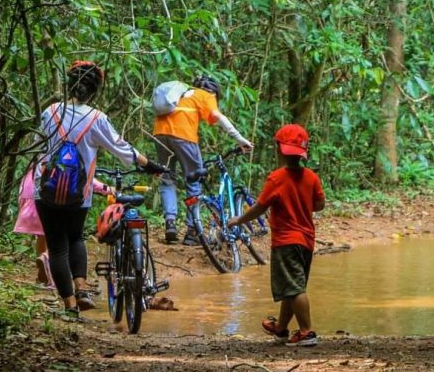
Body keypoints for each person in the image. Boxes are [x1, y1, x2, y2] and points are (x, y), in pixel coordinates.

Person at [36, 61, 168, 317]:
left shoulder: (50, 112)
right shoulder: (96, 119)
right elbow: (123, 149)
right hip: (78, 195)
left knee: (57, 246)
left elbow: (36, 149)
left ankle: (70, 306)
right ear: (95, 91)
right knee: (75, 237)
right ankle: (82, 287)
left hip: (46, 192)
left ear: (68, 86)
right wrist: (151, 165)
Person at [228, 124, 325, 347]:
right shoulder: (311, 178)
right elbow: (319, 204)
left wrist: (238, 220)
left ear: (279, 149)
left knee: (294, 288)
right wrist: (301, 203)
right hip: (306, 241)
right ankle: (281, 328)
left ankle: (306, 332)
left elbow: (260, 207)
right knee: (291, 287)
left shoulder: (276, 178)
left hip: (286, 241)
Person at [153, 75, 253, 244]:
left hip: (159, 134)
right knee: (194, 179)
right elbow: (217, 116)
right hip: (183, 136)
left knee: (167, 179)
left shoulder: (181, 94)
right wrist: (240, 139)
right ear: (214, 91)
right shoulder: (205, 95)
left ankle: (170, 223)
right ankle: (193, 231)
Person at [14, 168, 110, 289]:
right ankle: (47, 260)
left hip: (32, 204)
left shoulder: (37, 164)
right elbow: (87, 180)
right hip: (50, 203)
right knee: (60, 241)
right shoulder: (63, 164)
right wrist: (107, 189)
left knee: (43, 236)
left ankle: (43, 273)